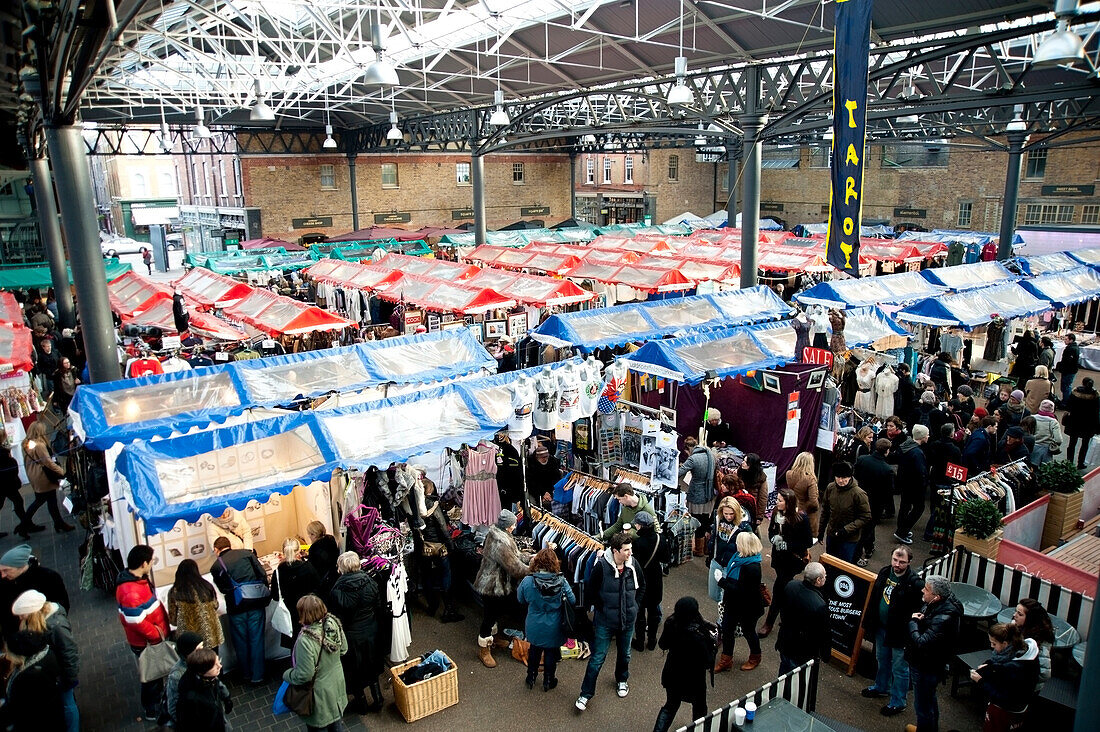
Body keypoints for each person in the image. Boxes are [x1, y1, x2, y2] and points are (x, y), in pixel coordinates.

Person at [575, 532, 645, 712]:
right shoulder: (601, 568)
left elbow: (642, 585)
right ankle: (585, 694)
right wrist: (602, 608)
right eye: (626, 550)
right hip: (605, 621)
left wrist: (635, 606)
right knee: (597, 658)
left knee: (625, 654)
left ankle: (622, 680)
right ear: (615, 551)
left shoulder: (633, 564)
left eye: (630, 549)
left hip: (627, 619)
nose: (630, 553)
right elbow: (590, 591)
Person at [860, 547, 925, 717]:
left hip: (900, 634)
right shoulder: (884, 572)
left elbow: (920, 611)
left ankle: (898, 701)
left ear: (909, 562)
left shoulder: (915, 583)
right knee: (881, 658)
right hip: (881, 628)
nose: (897, 564)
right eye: (895, 560)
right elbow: (875, 597)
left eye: (902, 562)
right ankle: (881, 687)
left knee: (900, 668)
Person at [116, 544, 171, 722]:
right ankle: (152, 710)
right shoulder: (130, 592)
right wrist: (157, 635)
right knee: (151, 676)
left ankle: (155, 704)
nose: (152, 564)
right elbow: (135, 622)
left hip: (149, 639)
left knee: (153, 675)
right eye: (151, 561)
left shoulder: (138, 580)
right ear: (143, 563)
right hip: (146, 642)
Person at [13, 589, 80, 732]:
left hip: (62, 673)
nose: (20, 618)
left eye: (22, 614)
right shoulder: (45, 621)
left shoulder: (56, 625)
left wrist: (70, 677)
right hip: (55, 671)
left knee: (68, 704)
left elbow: (69, 651)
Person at [327, 551, 384, 714]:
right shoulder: (371, 582)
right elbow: (378, 606)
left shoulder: (337, 590)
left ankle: (361, 704)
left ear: (342, 568)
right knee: (372, 664)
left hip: (351, 635)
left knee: (354, 670)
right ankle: (378, 698)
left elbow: (335, 617)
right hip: (371, 630)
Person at [283, 595, 349, 732]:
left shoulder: (305, 641)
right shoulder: (333, 623)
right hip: (337, 685)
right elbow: (343, 649)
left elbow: (305, 675)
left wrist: (287, 674)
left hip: (319, 695)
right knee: (337, 724)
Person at [210, 535, 269, 685]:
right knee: (256, 639)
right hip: (255, 603)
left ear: (217, 550)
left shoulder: (216, 566)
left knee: (240, 642)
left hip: (236, 607)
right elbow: (262, 574)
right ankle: (259, 675)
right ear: (230, 545)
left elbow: (223, 589)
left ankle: (246, 674)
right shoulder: (246, 554)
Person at [651, 596, 717, 732]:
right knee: (699, 711)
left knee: (670, 706)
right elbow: (707, 662)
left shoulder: (671, 624)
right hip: (694, 681)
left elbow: (663, 644)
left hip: (672, 674)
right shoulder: (700, 636)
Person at [474, 509, 530, 668]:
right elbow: (516, 569)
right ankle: (483, 649)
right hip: (492, 586)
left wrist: (531, 556)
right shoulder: (501, 543)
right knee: (489, 617)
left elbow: (515, 556)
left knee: (494, 613)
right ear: (507, 526)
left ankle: (493, 639)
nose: (514, 527)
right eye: (513, 524)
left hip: (495, 583)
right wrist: (535, 566)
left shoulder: (497, 534)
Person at [906, 575, 962, 732]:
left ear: (937, 597)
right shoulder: (943, 605)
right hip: (930, 664)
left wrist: (913, 623)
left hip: (926, 666)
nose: (923, 590)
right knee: (929, 700)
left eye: (927, 589)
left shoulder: (943, 617)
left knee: (923, 704)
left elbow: (922, 642)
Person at [516, 548, 575, 691]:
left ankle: (531, 677)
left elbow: (520, 599)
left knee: (535, 649)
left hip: (534, 622)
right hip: (554, 624)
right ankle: (548, 680)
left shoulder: (528, 581)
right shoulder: (561, 581)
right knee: (551, 652)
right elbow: (572, 600)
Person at [968, 623, 1040, 732]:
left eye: (994, 643)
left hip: (1006, 710)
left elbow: (1003, 696)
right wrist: (989, 665)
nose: (992, 647)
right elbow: (1000, 665)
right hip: (1017, 708)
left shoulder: (1014, 669)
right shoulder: (1022, 651)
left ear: (1005, 644)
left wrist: (981, 681)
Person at [760, 488, 811, 637]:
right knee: (786, 588)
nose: (777, 503)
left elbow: (807, 541)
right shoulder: (776, 512)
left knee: (779, 589)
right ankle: (788, 615)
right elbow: (771, 531)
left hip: (792, 560)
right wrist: (774, 539)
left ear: (788, 503)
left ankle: (769, 622)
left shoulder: (801, 518)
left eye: (780, 500)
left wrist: (788, 544)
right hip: (779, 558)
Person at [713, 531, 764, 673]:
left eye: (738, 542)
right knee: (727, 630)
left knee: (749, 631)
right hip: (733, 603)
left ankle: (755, 656)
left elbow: (742, 591)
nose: (736, 544)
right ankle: (726, 660)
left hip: (747, 607)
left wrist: (721, 581)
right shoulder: (739, 557)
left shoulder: (752, 567)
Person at [0, 544, 69, 641]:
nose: (2, 575)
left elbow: (61, 606)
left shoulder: (49, 578)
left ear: (20, 566)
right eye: (1, 571)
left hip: (42, 636)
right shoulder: (4, 583)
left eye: (6, 570)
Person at [417, 481, 463, 623]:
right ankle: (448, 610)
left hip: (424, 547)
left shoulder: (415, 506)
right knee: (446, 576)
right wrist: (451, 546)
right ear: (431, 490)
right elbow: (443, 528)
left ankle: (432, 606)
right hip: (438, 546)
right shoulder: (433, 505)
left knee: (427, 576)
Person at [2, 629, 66, 731]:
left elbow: (18, 710)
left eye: (9, 654)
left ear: (19, 656)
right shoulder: (47, 654)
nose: (7, 657)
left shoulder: (25, 679)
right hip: (54, 716)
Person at [775, 562, 829, 676]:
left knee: (783, 674)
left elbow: (782, 609)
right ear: (818, 580)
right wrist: (824, 654)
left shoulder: (791, 585)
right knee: (798, 682)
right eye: (824, 576)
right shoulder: (819, 605)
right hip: (801, 652)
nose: (826, 578)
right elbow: (822, 633)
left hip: (785, 641)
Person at [21, 421, 74, 533]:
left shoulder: (26, 443)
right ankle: (23, 525)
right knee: (41, 501)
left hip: (35, 475)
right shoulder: (39, 445)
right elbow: (48, 463)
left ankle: (59, 523)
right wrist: (62, 472)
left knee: (50, 501)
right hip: (43, 477)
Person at [630, 511, 670, 652]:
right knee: (653, 611)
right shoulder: (661, 538)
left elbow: (634, 563)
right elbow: (666, 559)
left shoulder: (638, 543)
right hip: (655, 578)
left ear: (640, 526)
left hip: (641, 580)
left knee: (640, 613)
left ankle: (640, 642)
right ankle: (652, 641)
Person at [167, 558, 224, 653]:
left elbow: (173, 620)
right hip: (211, 635)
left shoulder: (175, 591)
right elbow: (215, 605)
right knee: (213, 664)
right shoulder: (206, 586)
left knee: (195, 665)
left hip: (189, 639)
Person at [272, 537, 321, 645]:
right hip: (308, 612)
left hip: (290, 615)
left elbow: (275, 596)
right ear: (299, 551)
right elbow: (318, 588)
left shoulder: (279, 571)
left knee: (295, 647)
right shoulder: (307, 567)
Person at [820, 461, 871, 562]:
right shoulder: (830, 488)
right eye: (838, 477)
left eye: (844, 478)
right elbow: (825, 511)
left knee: (844, 566)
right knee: (829, 562)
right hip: (832, 535)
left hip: (849, 539)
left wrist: (846, 529)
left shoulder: (858, 494)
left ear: (850, 477)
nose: (840, 480)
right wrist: (821, 531)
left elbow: (865, 516)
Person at [854, 438, 895, 563]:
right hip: (875, 504)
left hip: (859, 499)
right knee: (868, 529)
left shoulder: (862, 460)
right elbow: (889, 492)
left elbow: (856, 475)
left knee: (860, 527)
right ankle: (860, 554)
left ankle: (869, 547)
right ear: (887, 451)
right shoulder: (887, 470)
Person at [175, 648, 232, 731]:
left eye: (219, 661)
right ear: (202, 671)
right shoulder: (191, 698)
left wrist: (227, 699)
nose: (220, 666)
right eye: (214, 665)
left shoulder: (210, 677)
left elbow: (218, 686)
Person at [679, 436, 716, 557]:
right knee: (706, 520)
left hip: (697, 494)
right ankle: (706, 547)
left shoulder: (693, 459)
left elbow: (679, 473)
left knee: (697, 521)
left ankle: (699, 549)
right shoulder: (710, 454)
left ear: (687, 449)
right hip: (709, 493)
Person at [894, 424, 930, 546]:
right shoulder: (917, 453)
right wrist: (924, 485)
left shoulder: (905, 446)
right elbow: (921, 473)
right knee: (919, 508)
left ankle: (901, 528)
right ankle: (902, 531)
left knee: (904, 506)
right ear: (923, 437)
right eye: (927, 434)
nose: (928, 436)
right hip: (914, 486)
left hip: (904, 483)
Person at [1011, 597, 1054, 691]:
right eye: (1015, 611)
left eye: (1020, 614)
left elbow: (1044, 673)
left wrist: (1021, 678)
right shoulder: (1018, 628)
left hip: (1024, 689)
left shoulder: (1039, 644)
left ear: (1030, 619)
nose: (1014, 615)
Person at [163, 631, 204, 726]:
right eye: (198, 649)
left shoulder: (201, 661)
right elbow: (173, 705)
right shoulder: (177, 675)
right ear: (188, 652)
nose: (203, 651)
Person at [1063, 377, 1100, 469]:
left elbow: (1069, 406)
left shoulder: (1075, 393)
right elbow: (1097, 411)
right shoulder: (1095, 395)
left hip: (1075, 421)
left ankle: (1069, 462)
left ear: (1083, 383)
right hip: (1089, 423)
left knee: (1072, 443)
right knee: (1085, 444)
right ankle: (1080, 463)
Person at [0, 435, 31, 539]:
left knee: (18, 502)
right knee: (18, 502)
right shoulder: (3, 453)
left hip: (5, 484)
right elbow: (11, 466)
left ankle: (25, 524)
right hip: (6, 484)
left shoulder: (3, 452)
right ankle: (24, 525)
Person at [785, 451, 820, 538]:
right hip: (806, 515)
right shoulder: (810, 479)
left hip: (792, 509)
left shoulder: (789, 474)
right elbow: (814, 502)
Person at [305, 521, 339, 595]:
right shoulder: (331, 539)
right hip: (334, 576)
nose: (309, 536)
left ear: (314, 535)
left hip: (323, 583)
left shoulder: (314, 548)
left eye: (310, 534)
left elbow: (312, 568)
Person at [525, 443, 562, 509]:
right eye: (543, 457)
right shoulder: (530, 463)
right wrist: (542, 493)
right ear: (537, 457)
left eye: (546, 457)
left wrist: (549, 492)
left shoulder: (552, 461)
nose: (545, 459)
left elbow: (556, 478)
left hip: (550, 489)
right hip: (535, 491)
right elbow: (531, 482)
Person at [737, 453, 769, 529]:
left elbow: (763, 498)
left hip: (752, 509)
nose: (742, 463)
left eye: (745, 462)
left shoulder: (761, 478)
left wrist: (759, 517)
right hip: (739, 507)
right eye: (743, 460)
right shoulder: (740, 472)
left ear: (751, 465)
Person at [1030, 400, 1064, 466]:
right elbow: (1059, 440)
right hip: (1046, 451)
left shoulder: (1032, 418)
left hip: (1032, 448)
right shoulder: (1053, 422)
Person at [1055, 333, 1080, 405]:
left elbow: (1068, 361)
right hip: (1070, 371)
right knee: (1066, 386)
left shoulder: (1071, 349)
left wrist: (1062, 367)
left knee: (1066, 387)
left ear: (1071, 340)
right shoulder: (1074, 347)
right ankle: (1065, 401)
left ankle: (1065, 403)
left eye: (1066, 339)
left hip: (1068, 371)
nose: (1064, 341)